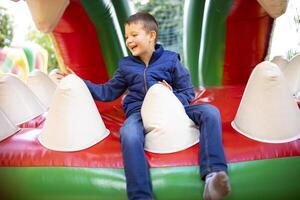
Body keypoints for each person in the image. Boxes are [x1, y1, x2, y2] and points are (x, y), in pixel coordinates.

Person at [58, 12, 231, 200]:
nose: (129, 40)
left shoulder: (171, 60)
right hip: (139, 113)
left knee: (210, 112)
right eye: (126, 37)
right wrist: (79, 82)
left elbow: (187, 91)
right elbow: (107, 92)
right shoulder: (126, 66)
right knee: (129, 134)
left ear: (151, 35)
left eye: (134, 35)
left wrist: (169, 98)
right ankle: (140, 195)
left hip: (173, 109)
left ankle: (214, 174)